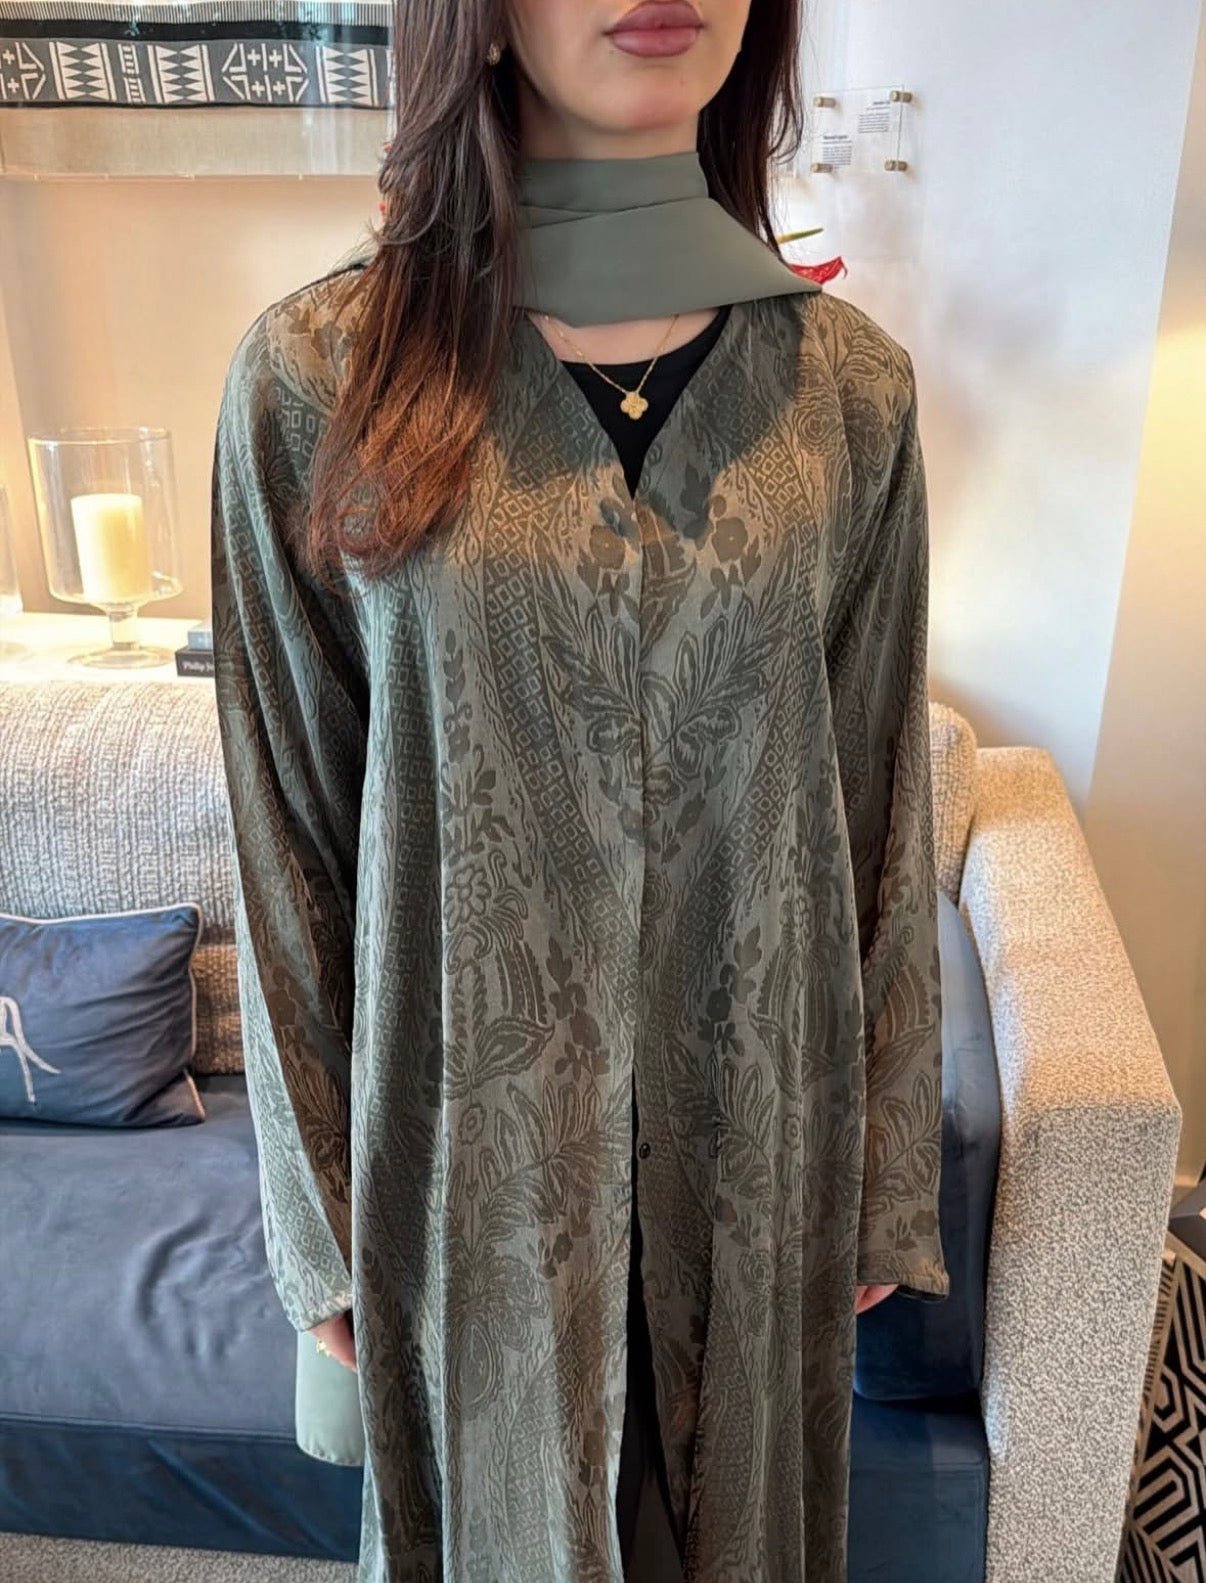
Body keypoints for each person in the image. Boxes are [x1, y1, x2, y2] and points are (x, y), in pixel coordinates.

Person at [210, 1, 950, 1579]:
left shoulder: (845, 393)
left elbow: (879, 798)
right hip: (464, 1158)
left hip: (753, 1138)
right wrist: (320, 1215)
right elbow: (288, 835)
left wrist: (882, 1175)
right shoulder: (320, 375)